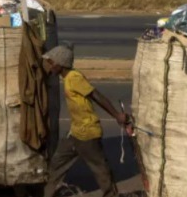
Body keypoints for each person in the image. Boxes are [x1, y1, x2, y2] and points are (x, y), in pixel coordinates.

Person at [42, 44, 130, 197]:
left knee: (99, 167)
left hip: (88, 131)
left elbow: (96, 96)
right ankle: (45, 193)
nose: (49, 66)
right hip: (75, 132)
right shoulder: (67, 79)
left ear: (60, 63)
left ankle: (111, 194)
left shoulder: (75, 78)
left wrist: (117, 115)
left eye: (51, 62)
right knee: (56, 164)